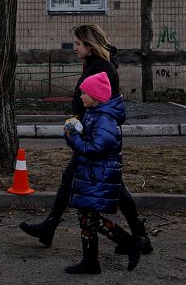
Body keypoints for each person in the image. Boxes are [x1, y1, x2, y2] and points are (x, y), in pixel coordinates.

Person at [19, 24, 152, 254]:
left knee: (107, 186)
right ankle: (139, 237)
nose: (75, 47)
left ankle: (136, 240)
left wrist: (83, 128)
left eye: (78, 43)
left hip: (96, 138)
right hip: (90, 134)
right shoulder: (94, 65)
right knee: (96, 183)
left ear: (90, 46)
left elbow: (103, 106)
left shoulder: (103, 69)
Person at [63, 71, 144, 274]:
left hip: (98, 175)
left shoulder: (105, 119)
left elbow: (96, 148)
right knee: (85, 215)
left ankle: (130, 242)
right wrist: (75, 132)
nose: (80, 97)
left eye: (84, 93)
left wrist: (74, 138)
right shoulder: (95, 114)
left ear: (96, 96)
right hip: (93, 174)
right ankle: (90, 261)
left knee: (90, 217)